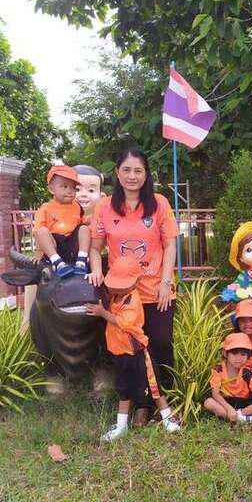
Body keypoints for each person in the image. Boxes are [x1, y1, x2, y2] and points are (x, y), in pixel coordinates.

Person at [87, 148, 179, 394]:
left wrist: (166, 283)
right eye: (126, 170)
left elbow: (170, 245)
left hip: (156, 290)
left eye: (138, 171)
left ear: (146, 174)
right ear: (117, 173)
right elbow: (95, 248)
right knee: (129, 346)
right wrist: (96, 270)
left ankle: (167, 397)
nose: (132, 176)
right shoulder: (104, 207)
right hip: (122, 294)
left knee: (160, 343)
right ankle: (141, 403)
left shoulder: (159, 203)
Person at [85, 256, 181, 441]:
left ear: (136, 282)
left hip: (137, 354)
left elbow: (123, 323)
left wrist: (102, 313)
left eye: (123, 285)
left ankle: (168, 418)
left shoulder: (132, 301)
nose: (118, 289)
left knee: (153, 387)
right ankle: (121, 426)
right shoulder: (117, 297)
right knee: (123, 389)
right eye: (116, 285)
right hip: (120, 354)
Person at [32, 164, 91, 277]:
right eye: (64, 187)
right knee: (42, 231)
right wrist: (39, 251)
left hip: (71, 244)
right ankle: (57, 262)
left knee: (84, 228)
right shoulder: (46, 208)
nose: (70, 191)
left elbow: (81, 223)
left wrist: (91, 220)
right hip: (54, 245)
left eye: (73, 188)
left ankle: (81, 260)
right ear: (51, 189)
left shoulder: (77, 206)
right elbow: (37, 231)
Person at [203, 333, 252, 424]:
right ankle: (241, 419)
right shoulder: (218, 369)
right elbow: (215, 393)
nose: (239, 358)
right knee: (208, 402)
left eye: (243, 354)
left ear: (247, 356)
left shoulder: (246, 371)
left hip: (245, 402)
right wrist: (229, 408)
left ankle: (239, 415)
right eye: (234, 354)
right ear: (225, 353)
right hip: (226, 401)